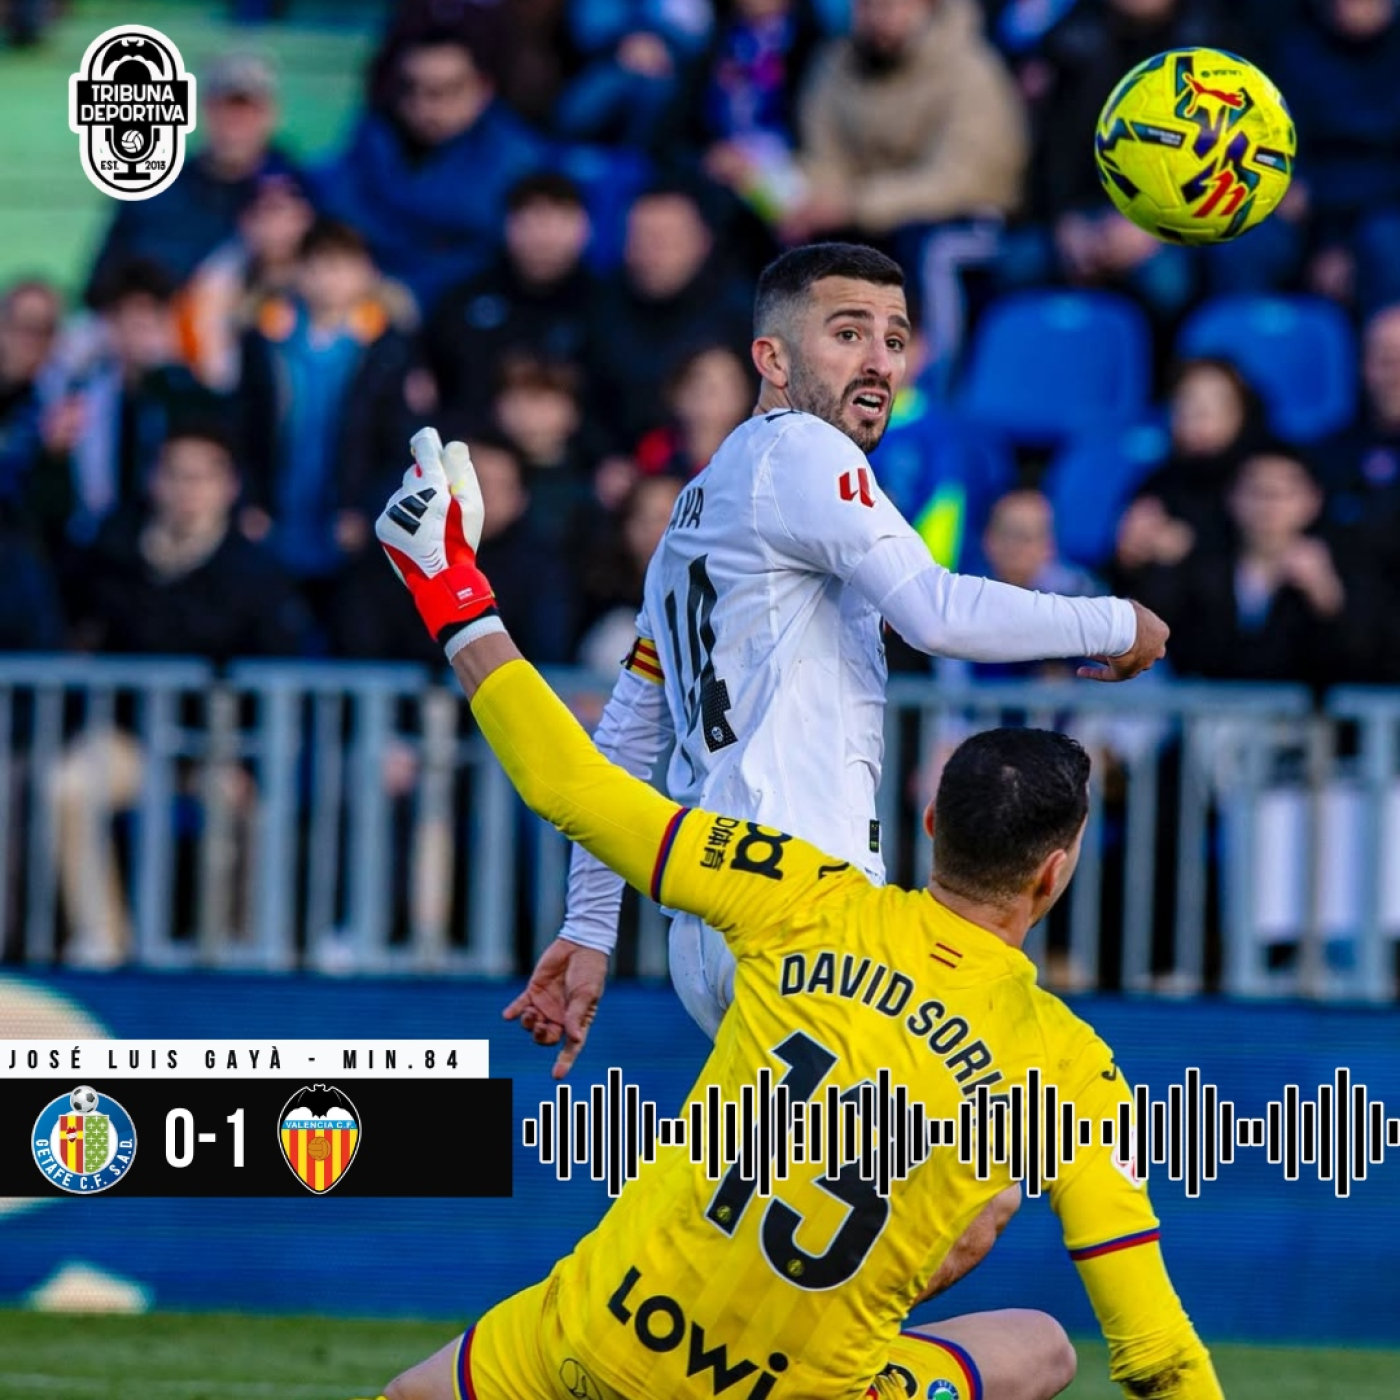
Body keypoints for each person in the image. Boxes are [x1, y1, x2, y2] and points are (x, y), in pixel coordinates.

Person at [362, 428, 1224, 1400]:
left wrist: (449, 587)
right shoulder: (1069, 1067)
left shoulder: (793, 889)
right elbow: (1156, 1353)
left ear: (928, 821)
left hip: (605, 1338)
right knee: (1037, 1336)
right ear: (1053, 873)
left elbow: (571, 782)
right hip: (796, 1383)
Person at [515, 241, 1168, 1073]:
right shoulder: (801, 451)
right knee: (931, 1142)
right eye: (849, 333)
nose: (879, 361)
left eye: (895, 339)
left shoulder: (695, 506)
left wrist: (588, 923)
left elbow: (626, 738)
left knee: (810, 1154)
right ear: (773, 359)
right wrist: (1114, 622)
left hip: (711, 925)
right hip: (796, 903)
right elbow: (934, 612)